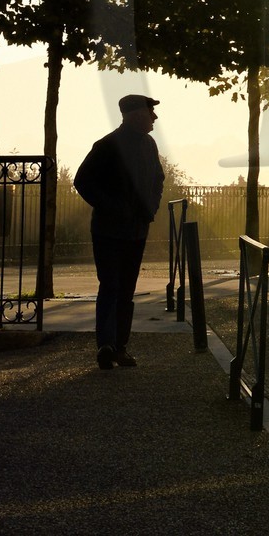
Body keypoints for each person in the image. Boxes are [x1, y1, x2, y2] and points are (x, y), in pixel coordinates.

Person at [73, 94, 165, 369]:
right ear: (136, 114)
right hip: (109, 230)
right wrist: (112, 207)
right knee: (113, 287)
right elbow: (82, 181)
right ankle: (108, 345)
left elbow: (158, 179)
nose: (155, 117)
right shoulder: (107, 146)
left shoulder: (148, 145)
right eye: (151, 112)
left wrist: (151, 208)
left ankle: (116, 346)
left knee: (124, 289)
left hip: (135, 229)